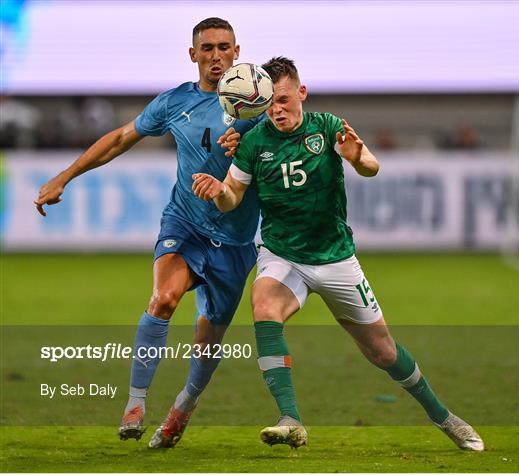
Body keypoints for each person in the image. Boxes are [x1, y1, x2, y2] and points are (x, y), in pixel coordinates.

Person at [192, 57, 484, 451]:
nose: (277, 110)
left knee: (383, 352)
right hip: (283, 255)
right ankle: (290, 418)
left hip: (336, 259)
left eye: (283, 100)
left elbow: (371, 166)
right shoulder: (254, 143)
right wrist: (218, 191)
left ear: (301, 93)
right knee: (263, 306)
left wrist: (357, 156)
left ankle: (446, 419)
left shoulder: (327, 126)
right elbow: (232, 198)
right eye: (269, 104)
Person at [34, 17, 261, 449]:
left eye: (225, 47)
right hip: (186, 223)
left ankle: (181, 410)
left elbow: (277, 158)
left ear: (237, 52)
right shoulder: (175, 102)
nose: (217, 56)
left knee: (207, 344)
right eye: (208, 48)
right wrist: (65, 176)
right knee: (163, 298)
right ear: (193, 54)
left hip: (235, 240)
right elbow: (121, 138)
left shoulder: (258, 109)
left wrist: (252, 147)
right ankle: (135, 403)